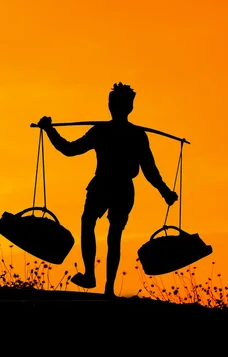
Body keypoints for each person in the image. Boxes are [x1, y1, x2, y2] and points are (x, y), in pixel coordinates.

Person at [37, 82, 178, 297]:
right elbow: (149, 171)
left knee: (95, 227)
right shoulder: (132, 134)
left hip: (106, 184)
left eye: (114, 103)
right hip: (117, 187)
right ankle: (104, 285)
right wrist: (50, 131)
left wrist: (49, 130)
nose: (112, 106)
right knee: (110, 235)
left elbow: (69, 149)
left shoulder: (107, 132)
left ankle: (96, 279)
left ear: (123, 107)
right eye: (112, 102)